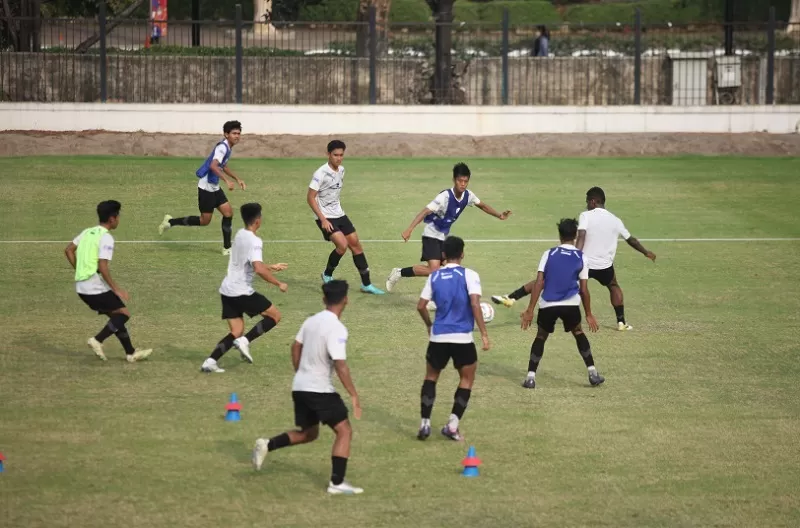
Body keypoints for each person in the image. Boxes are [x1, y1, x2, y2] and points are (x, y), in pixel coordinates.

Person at [251, 280, 364, 495]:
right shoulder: (337, 328)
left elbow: (295, 346)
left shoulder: (311, 321)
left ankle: (267, 444)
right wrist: (354, 395)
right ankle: (337, 483)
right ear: (346, 300)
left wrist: (300, 372)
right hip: (319, 389)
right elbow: (341, 365)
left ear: (324, 299)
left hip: (300, 386)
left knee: (309, 434)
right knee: (344, 430)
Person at [492, 187, 656, 330]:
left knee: (547, 280)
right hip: (605, 266)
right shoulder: (616, 220)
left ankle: (511, 298)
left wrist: (574, 256)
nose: (586, 204)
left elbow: (582, 235)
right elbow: (631, 239)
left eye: (587, 201)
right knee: (613, 285)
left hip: (584, 263)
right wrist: (645, 252)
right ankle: (621, 322)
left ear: (593, 201)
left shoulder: (586, 215)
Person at [385, 162, 511, 294]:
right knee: (433, 270)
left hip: (443, 236)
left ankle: (440, 297)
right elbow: (425, 211)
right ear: (454, 180)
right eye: (459, 180)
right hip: (431, 234)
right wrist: (409, 229)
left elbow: (483, 206)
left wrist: (500, 215)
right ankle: (398, 273)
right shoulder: (444, 197)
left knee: (450, 268)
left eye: (465, 181)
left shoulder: (468, 196)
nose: (462, 184)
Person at [416, 236, 489, 442]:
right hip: (463, 339)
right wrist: (483, 333)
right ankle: (452, 425)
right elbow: (475, 304)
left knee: (431, 377)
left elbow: (421, 306)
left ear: (443, 255)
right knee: (466, 378)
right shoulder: (470, 275)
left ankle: (424, 423)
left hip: (438, 337)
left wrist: (429, 325)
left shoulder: (435, 276)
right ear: (463, 253)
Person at [201, 203, 288, 373]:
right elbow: (257, 268)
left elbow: (247, 262)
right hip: (241, 291)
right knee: (275, 316)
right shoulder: (255, 241)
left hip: (227, 290)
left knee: (236, 330)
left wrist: (270, 266)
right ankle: (245, 341)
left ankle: (210, 361)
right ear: (257, 220)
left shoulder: (240, 234)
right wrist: (279, 283)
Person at [519, 218, 604, 389]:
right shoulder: (581, 257)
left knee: (541, 337)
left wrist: (530, 310)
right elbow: (584, 290)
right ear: (574, 236)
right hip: (571, 305)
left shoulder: (548, 254)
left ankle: (530, 377)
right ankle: (593, 373)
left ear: (559, 235)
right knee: (578, 332)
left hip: (548, 304)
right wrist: (588, 314)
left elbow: (539, 283)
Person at [64, 200, 152, 363]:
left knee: (115, 315)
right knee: (123, 314)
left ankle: (130, 353)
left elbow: (68, 250)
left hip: (82, 287)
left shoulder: (87, 232)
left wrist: (79, 269)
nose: (119, 219)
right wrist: (116, 289)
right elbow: (103, 267)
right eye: (118, 216)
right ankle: (97, 340)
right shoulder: (106, 238)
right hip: (93, 286)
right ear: (112, 219)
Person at [158, 120, 247, 256]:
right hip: (206, 188)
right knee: (204, 221)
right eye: (234, 133)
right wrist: (227, 181)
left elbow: (223, 165)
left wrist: (237, 179)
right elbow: (213, 165)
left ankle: (227, 248)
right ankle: (170, 222)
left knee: (228, 213)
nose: (237, 136)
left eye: (239, 133)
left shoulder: (228, 148)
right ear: (226, 134)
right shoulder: (222, 147)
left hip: (214, 187)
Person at [308, 140, 383, 295]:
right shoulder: (320, 173)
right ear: (328, 154)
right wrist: (323, 219)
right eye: (335, 155)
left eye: (341, 155)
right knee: (342, 245)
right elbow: (310, 197)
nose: (339, 158)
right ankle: (327, 274)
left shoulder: (342, 170)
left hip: (339, 214)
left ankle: (367, 284)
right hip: (325, 217)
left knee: (356, 245)